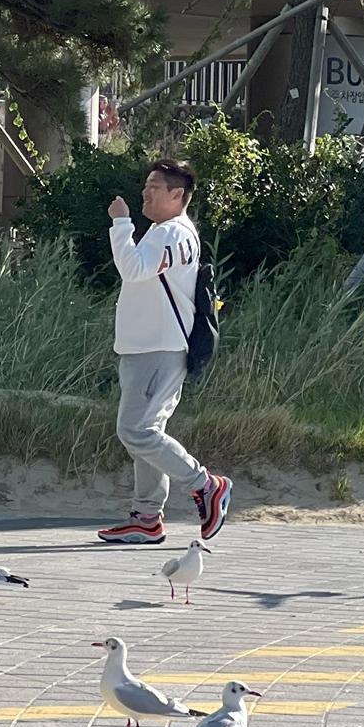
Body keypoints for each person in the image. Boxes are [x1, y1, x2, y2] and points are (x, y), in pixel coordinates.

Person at [97, 160, 231, 546]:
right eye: (145, 186)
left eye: (154, 187)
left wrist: (121, 223)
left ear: (177, 195)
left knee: (136, 431)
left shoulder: (172, 232)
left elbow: (133, 269)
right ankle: (145, 518)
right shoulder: (166, 231)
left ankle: (206, 485)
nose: (145, 193)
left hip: (159, 347)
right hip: (146, 346)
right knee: (147, 432)